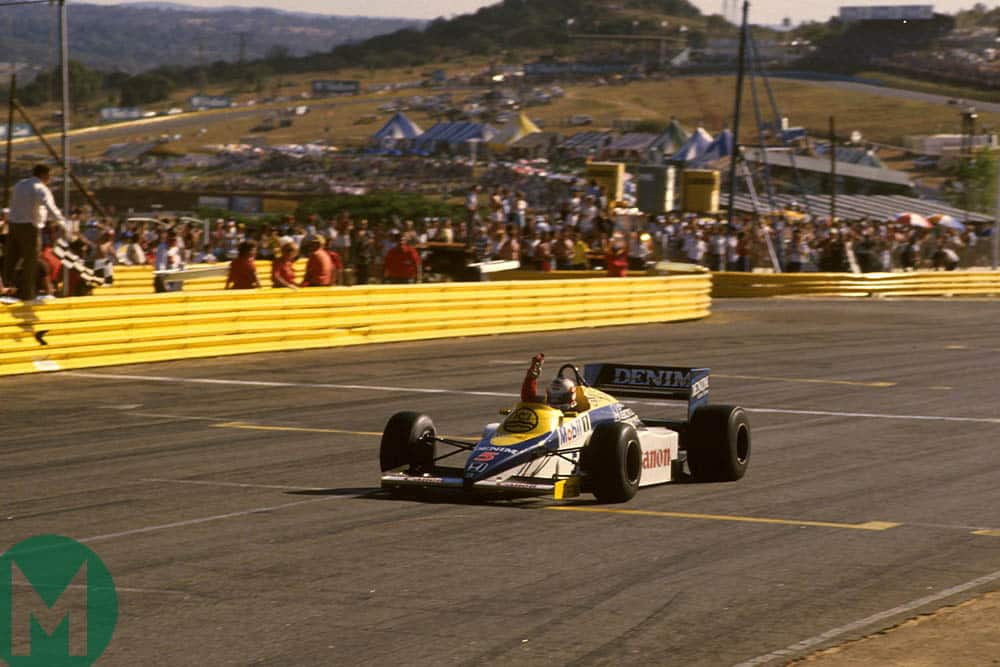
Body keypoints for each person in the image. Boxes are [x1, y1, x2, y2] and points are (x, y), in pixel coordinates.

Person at [4, 164, 65, 301]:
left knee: (11, 260)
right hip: (30, 227)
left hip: (14, 225)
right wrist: (63, 223)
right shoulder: (40, 188)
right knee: (31, 262)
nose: (50, 178)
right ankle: (27, 294)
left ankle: (6, 289)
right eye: (50, 175)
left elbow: (13, 205)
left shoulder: (20, 185)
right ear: (44, 175)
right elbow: (50, 206)